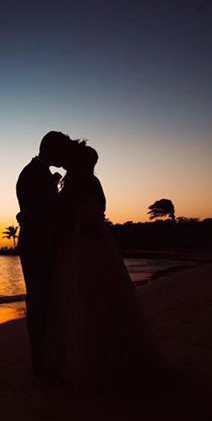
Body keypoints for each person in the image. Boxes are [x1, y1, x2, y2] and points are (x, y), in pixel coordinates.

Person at [49, 142, 161, 391]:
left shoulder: (78, 184)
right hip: (97, 243)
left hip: (80, 245)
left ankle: (90, 361)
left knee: (84, 297)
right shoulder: (93, 183)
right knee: (104, 295)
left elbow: (68, 214)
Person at [16, 131, 73, 376]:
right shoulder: (32, 174)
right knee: (39, 300)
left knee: (45, 300)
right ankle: (40, 361)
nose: (64, 156)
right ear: (51, 150)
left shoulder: (38, 172)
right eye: (62, 151)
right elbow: (41, 214)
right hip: (37, 246)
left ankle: (45, 356)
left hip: (40, 244)